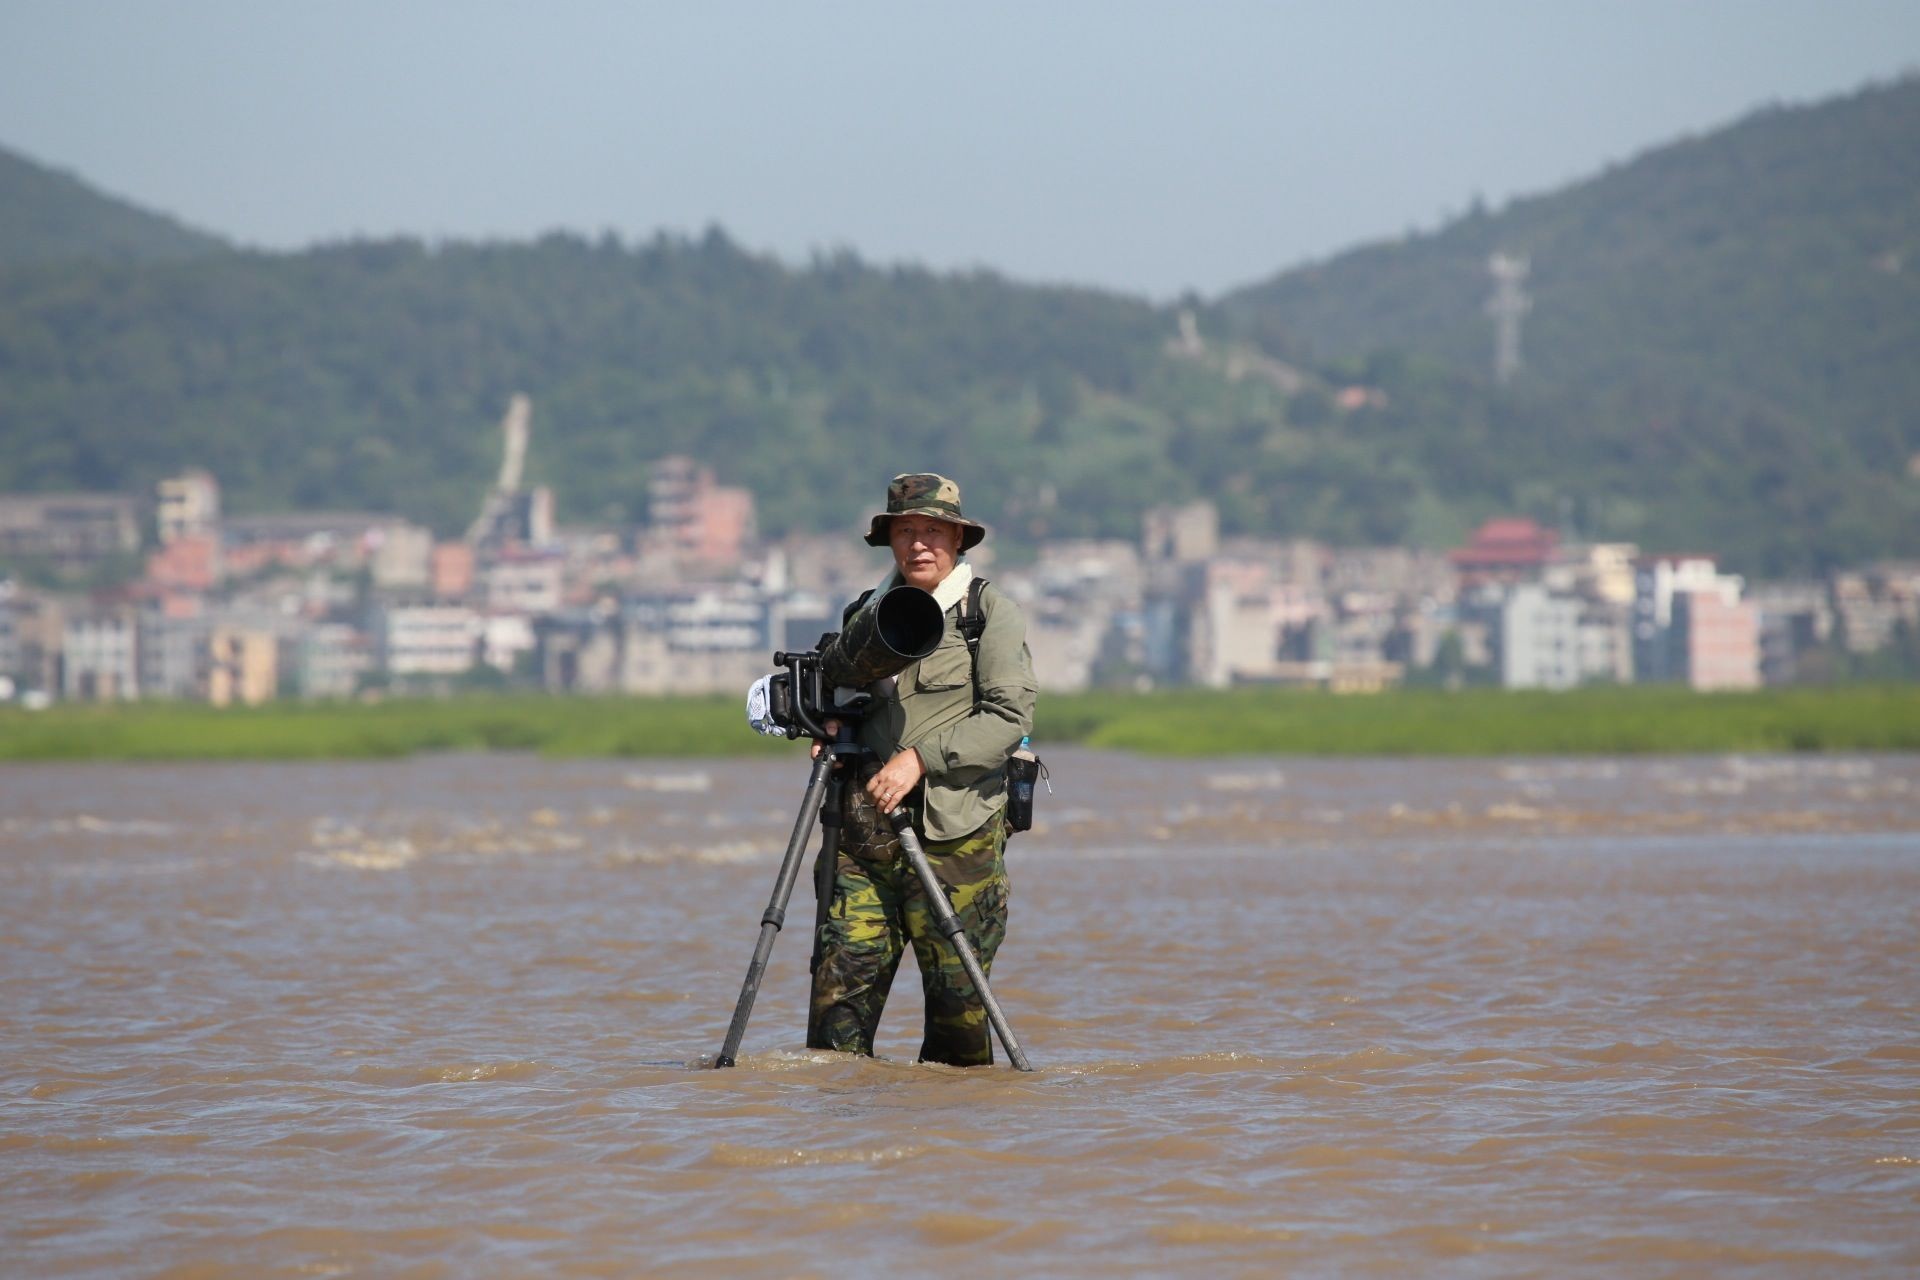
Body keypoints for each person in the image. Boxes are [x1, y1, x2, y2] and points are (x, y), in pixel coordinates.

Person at [807, 473, 1036, 1066]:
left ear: (959, 540)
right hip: (864, 836)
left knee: (957, 1029)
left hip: (956, 836)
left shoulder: (988, 613)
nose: (919, 544)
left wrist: (920, 760)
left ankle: (950, 1152)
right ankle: (844, 1144)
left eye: (933, 531)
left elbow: (1009, 716)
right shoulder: (865, 614)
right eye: (906, 531)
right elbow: (845, 695)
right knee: (836, 1018)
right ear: (889, 540)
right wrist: (830, 726)